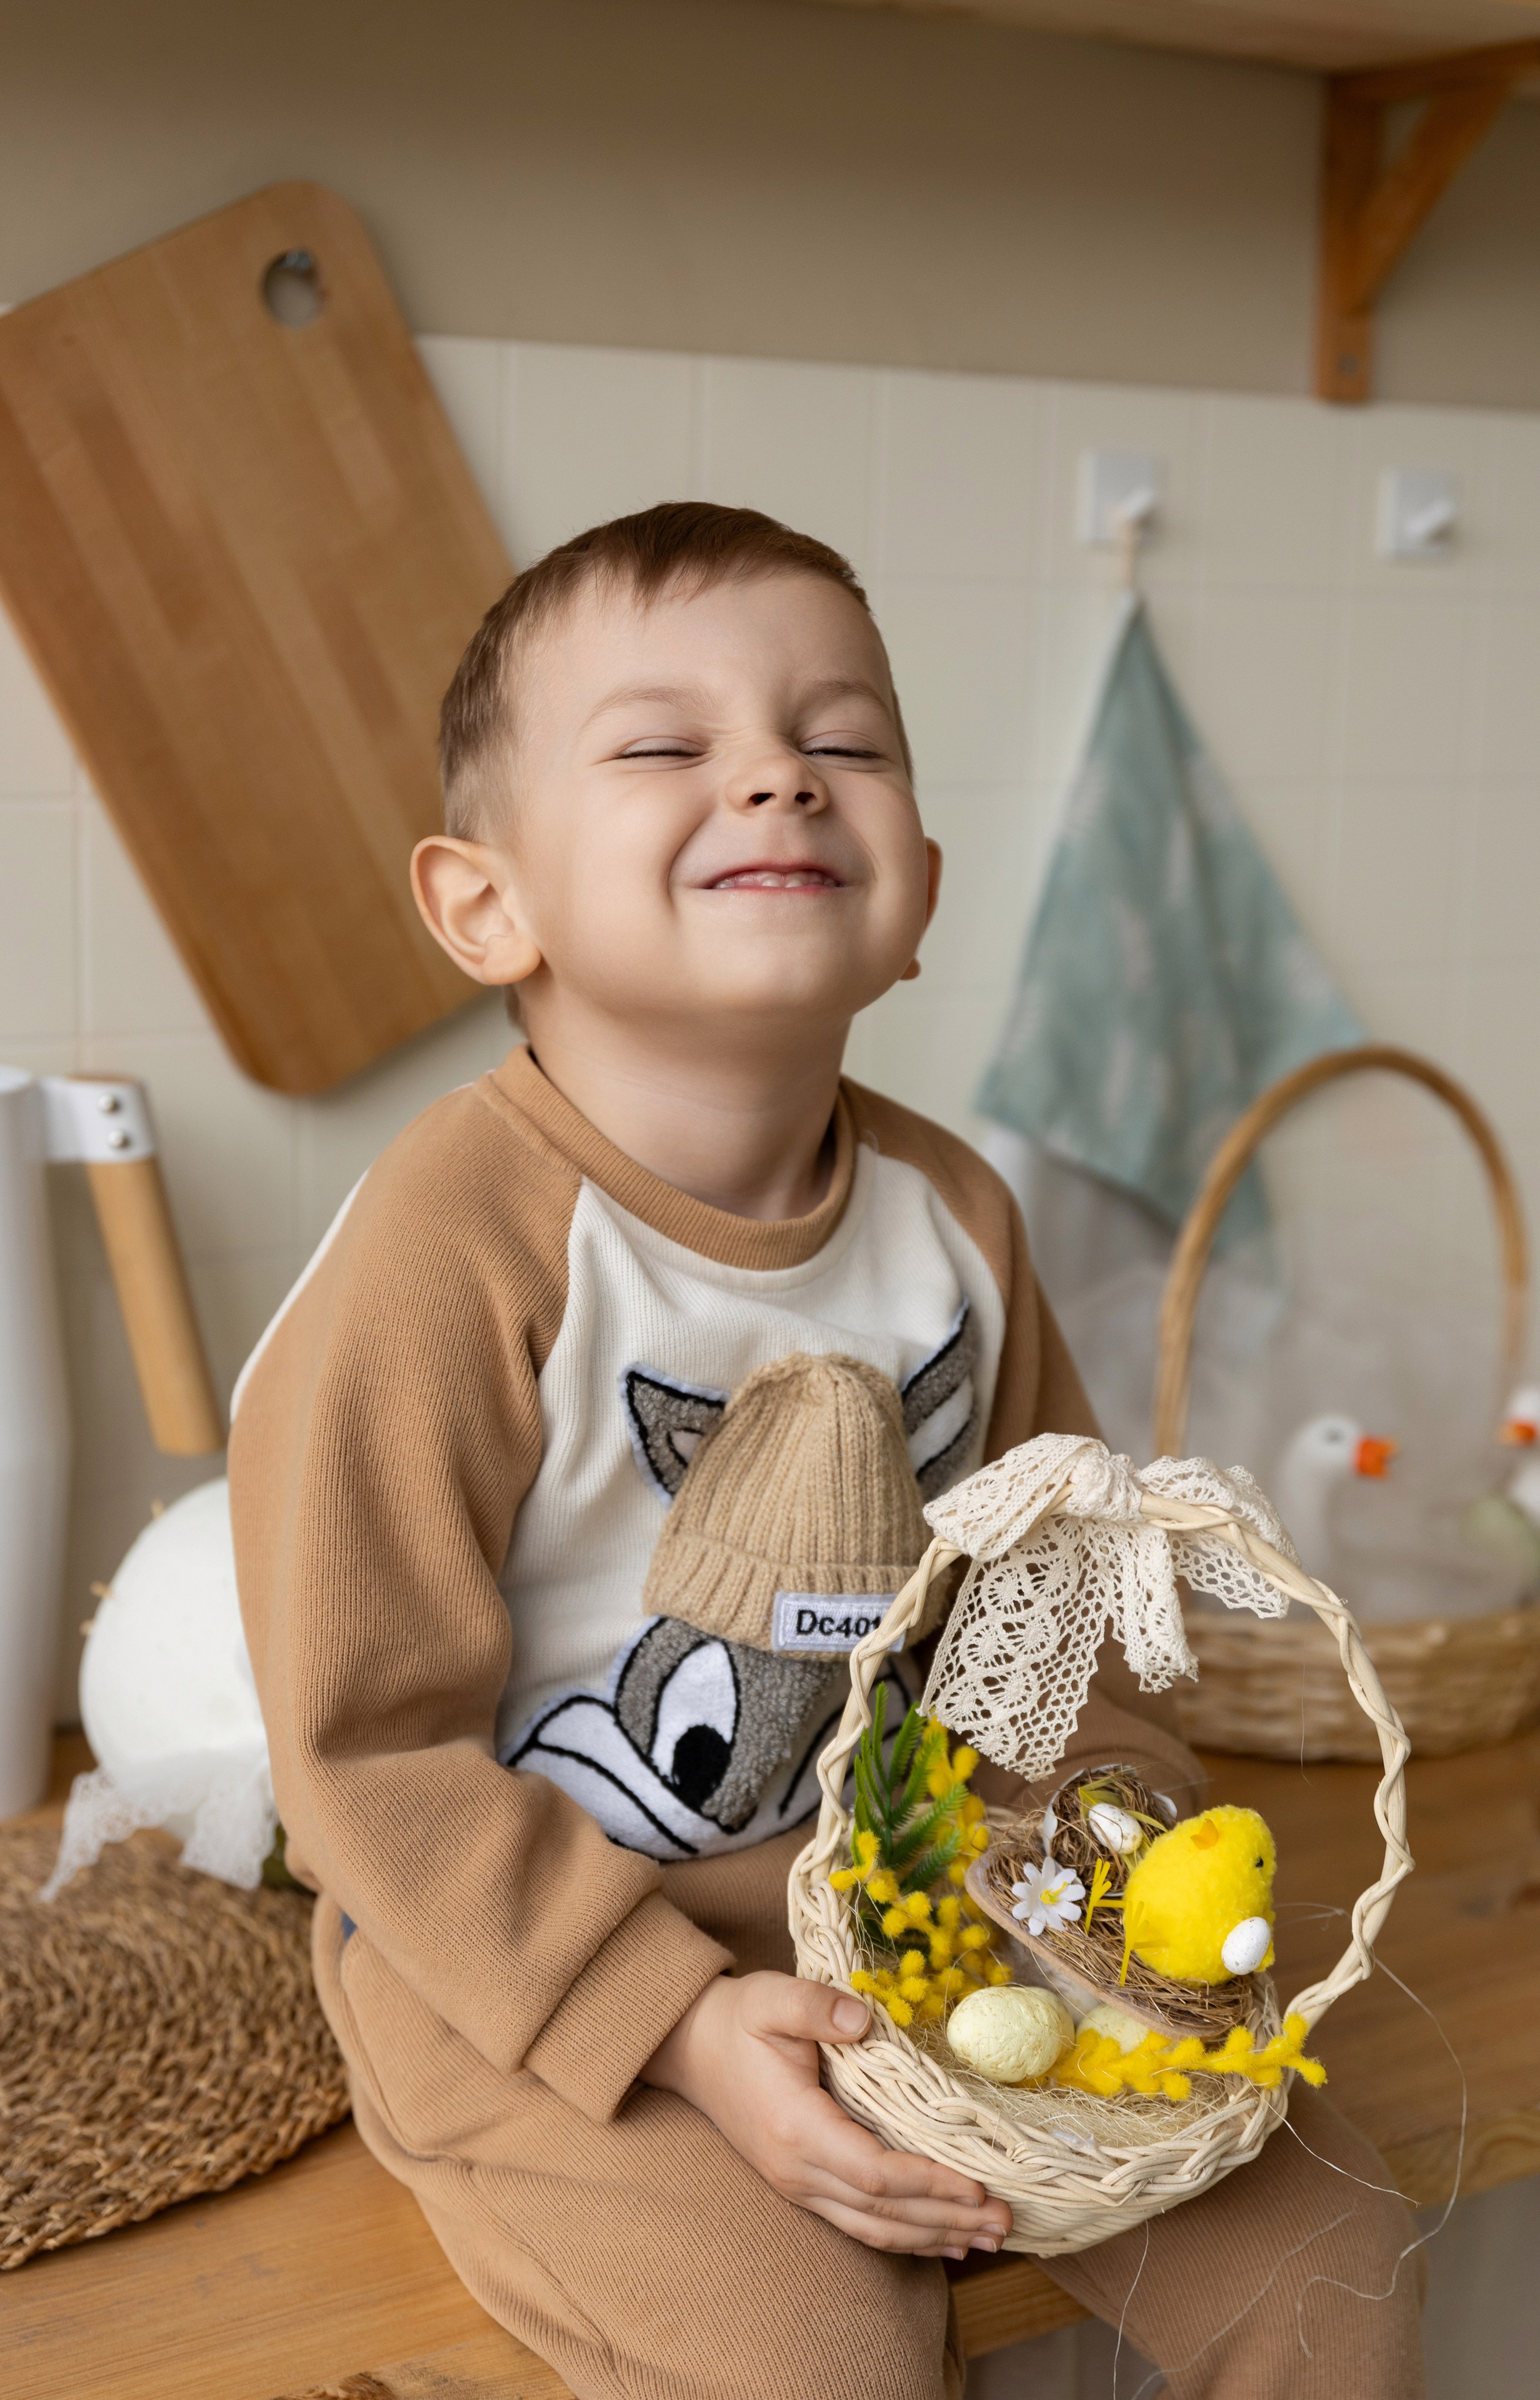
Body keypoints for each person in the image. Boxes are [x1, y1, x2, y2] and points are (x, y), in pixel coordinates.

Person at [229, 503, 1424, 2400]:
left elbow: (1060, 1627)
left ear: (919, 886)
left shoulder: (955, 1214)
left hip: (918, 1901)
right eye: (664, 747)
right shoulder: (451, 1244)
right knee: (823, 2360)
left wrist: (1109, 1875)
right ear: (485, 904)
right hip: (538, 1956)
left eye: (839, 741)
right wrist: (682, 2026)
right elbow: (366, 1752)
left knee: (1334, 2258)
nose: (778, 776)